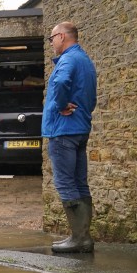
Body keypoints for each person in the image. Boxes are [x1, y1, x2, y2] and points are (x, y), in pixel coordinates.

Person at [43, 21, 97, 253]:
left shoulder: (67, 60)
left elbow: (62, 82)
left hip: (64, 129)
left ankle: (78, 238)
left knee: (66, 183)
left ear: (62, 37)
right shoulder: (86, 61)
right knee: (79, 182)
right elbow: (91, 96)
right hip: (80, 128)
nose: (52, 43)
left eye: (52, 38)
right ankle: (83, 237)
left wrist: (62, 104)